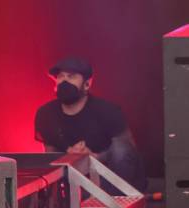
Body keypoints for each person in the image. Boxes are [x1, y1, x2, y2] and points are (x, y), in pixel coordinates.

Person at [34, 57, 147, 194]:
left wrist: (94, 157)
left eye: (71, 77)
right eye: (60, 77)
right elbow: (49, 155)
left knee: (120, 149)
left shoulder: (108, 111)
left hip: (111, 176)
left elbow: (126, 151)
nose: (64, 81)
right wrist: (71, 156)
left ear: (87, 84)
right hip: (75, 179)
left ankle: (120, 203)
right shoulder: (46, 113)